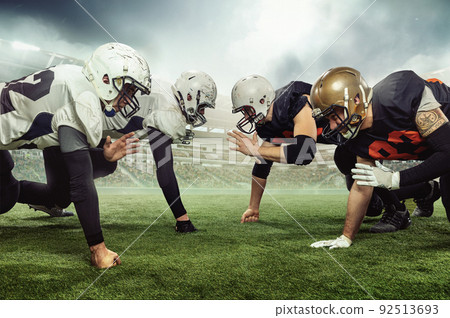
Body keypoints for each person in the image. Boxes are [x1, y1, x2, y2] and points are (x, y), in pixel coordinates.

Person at [0, 42, 151, 267]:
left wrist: (105, 158)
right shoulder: (82, 98)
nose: (129, 98)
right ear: (106, 79)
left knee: (8, 192)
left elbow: (74, 159)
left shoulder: (76, 79)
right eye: (128, 89)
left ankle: (35, 198)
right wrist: (98, 248)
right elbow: (80, 180)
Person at [309, 67, 449, 249]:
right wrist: (346, 237)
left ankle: (429, 192)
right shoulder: (357, 137)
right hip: (431, 149)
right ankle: (427, 192)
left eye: (334, 115)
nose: (333, 124)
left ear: (356, 100)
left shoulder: (398, 96)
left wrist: (395, 179)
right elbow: (361, 188)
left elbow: (447, 153)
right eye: (328, 119)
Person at [102, 70, 217, 232]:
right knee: (100, 166)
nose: (202, 112)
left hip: (101, 128)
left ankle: (53, 203)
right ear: (189, 97)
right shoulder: (168, 111)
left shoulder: (165, 91)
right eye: (203, 106)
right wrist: (182, 218)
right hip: (95, 126)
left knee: (102, 166)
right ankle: (182, 221)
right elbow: (164, 168)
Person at [227, 75, 317, 223]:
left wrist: (254, 150)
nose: (246, 116)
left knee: (346, 159)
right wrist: (253, 207)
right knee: (343, 159)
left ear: (262, 101)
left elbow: (304, 152)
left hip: (351, 132)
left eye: (247, 110)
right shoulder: (267, 124)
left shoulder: (294, 100)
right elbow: (262, 164)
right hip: (341, 141)